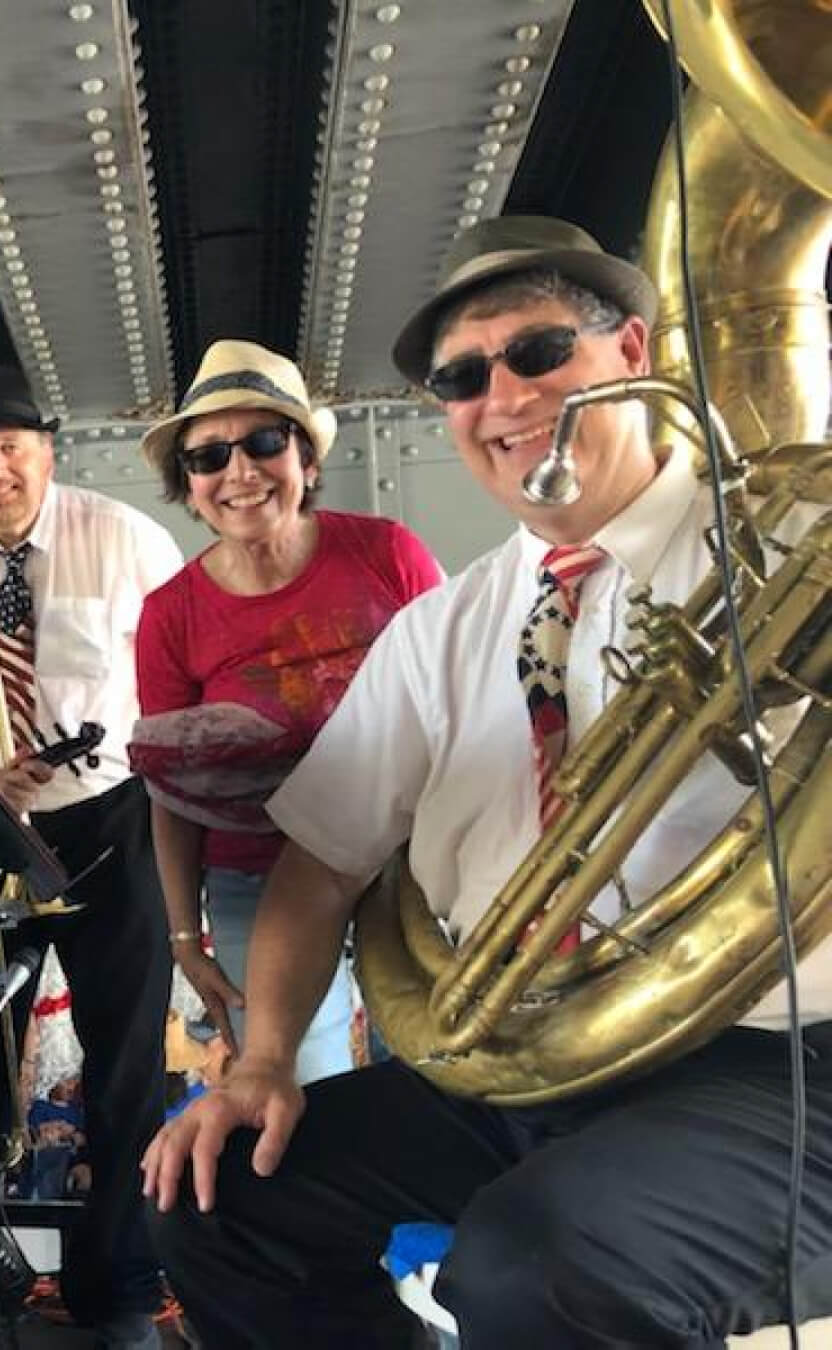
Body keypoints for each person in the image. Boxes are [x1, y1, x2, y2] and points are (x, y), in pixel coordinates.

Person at [141, 215, 832, 1349]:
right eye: (464, 376)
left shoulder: (797, 546)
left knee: (530, 1265)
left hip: (778, 1064)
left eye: (539, 352)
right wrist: (261, 1062)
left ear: (634, 354)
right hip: (530, 1053)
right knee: (215, 1202)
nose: (502, 397)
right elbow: (317, 868)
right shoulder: (443, 627)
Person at [0, 365, 184, 1348]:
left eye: (13, 447)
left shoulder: (125, 538)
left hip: (109, 816)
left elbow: (176, 672)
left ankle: (121, 1288)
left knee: (125, 1059)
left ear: (47, 453)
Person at [132, 340, 442, 1082]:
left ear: (305, 459)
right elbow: (172, 794)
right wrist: (185, 937)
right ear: (191, 486)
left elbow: (458, 703)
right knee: (296, 1085)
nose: (239, 472)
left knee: (443, 1064)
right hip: (257, 882)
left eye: (264, 442)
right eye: (209, 458)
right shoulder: (170, 616)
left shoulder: (387, 554)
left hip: (412, 861)